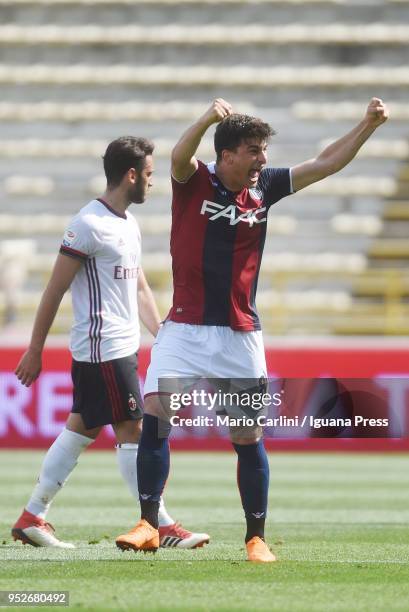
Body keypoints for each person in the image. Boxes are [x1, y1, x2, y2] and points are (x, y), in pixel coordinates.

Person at [115, 98, 389, 562]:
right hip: (183, 330)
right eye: (254, 150)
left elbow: (326, 163)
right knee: (156, 421)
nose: (263, 159)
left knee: (247, 437)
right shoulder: (194, 179)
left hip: (240, 336)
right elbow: (179, 156)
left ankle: (255, 539)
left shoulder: (266, 189)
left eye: (263, 150)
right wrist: (204, 118)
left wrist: (367, 125)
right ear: (226, 155)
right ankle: (148, 524)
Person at [12, 136, 209, 550]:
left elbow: (137, 287)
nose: (153, 184)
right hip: (103, 349)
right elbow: (54, 289)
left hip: (118, 347)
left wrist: (161, 331)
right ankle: (159, 523)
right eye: (150, 175)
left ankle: (33, 515)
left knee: (80, 428)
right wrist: (34, 349)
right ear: (131, 175)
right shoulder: (88, 224)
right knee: (135, 428)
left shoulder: (127, 223)